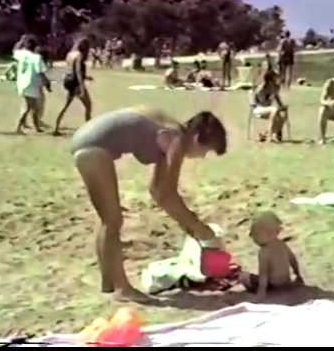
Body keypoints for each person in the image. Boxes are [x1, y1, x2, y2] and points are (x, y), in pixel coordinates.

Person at [71, 107, 227, 302]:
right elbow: (168, 194)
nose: (202, 156)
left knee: (108, 220)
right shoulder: (177, 139)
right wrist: (199, 228)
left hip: (87, 141)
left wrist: (190, 226)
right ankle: (122, 289)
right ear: (197, 138)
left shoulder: (170, 133)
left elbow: (158, 191)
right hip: (92, 147)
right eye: (206, 150)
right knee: (112, 220)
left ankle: (109, 284)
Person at [239, 211, 304, 302]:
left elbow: (263, 275)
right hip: (286, 284)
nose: (254, 239)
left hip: (273, 287)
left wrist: (261, 294)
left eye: (255, 235)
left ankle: (258, 292)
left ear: (268, 233)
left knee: (243, 276)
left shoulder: (264, 252)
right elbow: (292, 260)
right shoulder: (282, 244)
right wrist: (298, 275)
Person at [53, 37, 93, 136]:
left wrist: (86, 77)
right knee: (88, 106)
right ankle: (88, 130)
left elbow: (70, 70)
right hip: (76, 83)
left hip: (68, 82)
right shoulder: (79, 55)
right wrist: (82, 87)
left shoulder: (70, 54)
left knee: (65, 106)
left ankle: (56, 127)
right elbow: (78, 72)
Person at [13, 36, 51, 134]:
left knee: (34, 107)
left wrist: (21, 41)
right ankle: (18, 127)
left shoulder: (21, 54)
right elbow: (41, 72)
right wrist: (47, 83)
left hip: (22, 83)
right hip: (31, 84)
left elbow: (15, 50)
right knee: (28, 107)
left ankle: (36, 127)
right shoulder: (36, 57)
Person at [251, 70, 289, 142]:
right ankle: (270, 136)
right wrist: (271, 98)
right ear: (270, 79)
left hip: (269, 109)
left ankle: (264, 134)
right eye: (275, 77)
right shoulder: (261, 89)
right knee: (274, 110)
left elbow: (277, 98)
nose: (277, 79)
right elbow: (263, 103)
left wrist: (282, 106)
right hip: (258, 109)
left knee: (283, 115)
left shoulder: (275, 87)